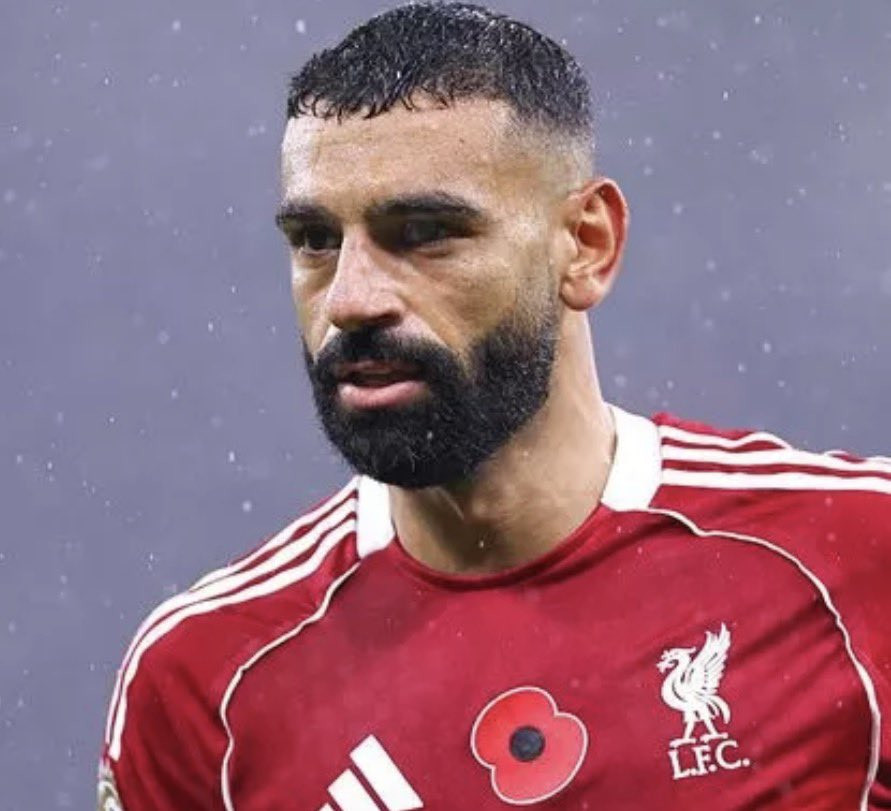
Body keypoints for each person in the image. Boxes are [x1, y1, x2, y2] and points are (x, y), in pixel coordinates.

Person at [98, 3, 891, 809]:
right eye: (315, 240)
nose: (350, 299)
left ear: (585, 244)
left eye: (423, 232)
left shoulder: (861, 560)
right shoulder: (204, 680)